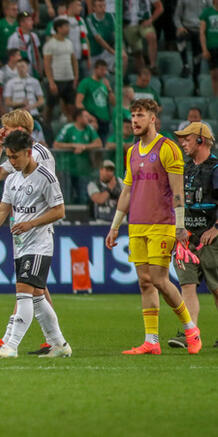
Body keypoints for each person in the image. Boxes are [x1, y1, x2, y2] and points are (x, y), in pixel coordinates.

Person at [105, 98, 203, 355]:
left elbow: (178, 191)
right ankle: (151, 341)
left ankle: (191, 330)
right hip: (136, 224)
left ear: (152, 118)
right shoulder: (131, 152)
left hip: (162, 224)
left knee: (159, 279)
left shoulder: (168, 148)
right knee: (144, 282)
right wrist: (115, 226)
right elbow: (127, 190)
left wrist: (180, 227)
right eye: (132, 116)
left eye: (139, 115)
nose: (134, 121)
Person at [0, 129, 72, 358]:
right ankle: (59, 344)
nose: (12, 161)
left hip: (40, 243)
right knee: (37, 296)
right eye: (9, 157)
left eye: (15, 156)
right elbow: (2, 210)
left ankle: (11, 345)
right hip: (20, 245)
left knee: (24, 292)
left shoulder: (46, 177)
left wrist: (31, 224)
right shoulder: (12, 179)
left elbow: (60, 211)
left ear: (29, 153)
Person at [167, 122, 218, 348]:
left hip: (211, 236)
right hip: (186, 237)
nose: (182, 143)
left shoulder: (216, 168)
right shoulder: (184, 168)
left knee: (216, 287)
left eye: (187, 139)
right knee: (187, 284)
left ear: (201, 140)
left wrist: (216, 228)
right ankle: (191, 334)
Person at [53, 108, 102, 203]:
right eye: (86, 116)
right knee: (66, 196)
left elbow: (99, 143)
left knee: (83, 196)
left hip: (83, 170)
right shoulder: (68, 128)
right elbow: (56, 144)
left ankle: (83, 217)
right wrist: (73, 145)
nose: (89, 119)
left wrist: (84, 147)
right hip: (67, 168)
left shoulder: (89, 129)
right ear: (79, 118)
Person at [44, 18, 78, 121]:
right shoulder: (50, 44)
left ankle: (71, 125)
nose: (68, 29)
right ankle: (45, 125)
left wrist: (75, 77)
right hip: (56, 80)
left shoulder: (69, 43)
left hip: (69, 79)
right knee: (50, 106)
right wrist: (51, 82)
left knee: (72, 106)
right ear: (58, 28)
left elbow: (74, 61)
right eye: (66, 27)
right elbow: (47, 64)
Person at [76, 59, 115, 139]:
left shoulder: (105, 84)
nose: (104, 72)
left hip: (105, 119)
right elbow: (78, 103)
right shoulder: (86, 82)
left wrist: (109, 88)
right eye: (101, 69)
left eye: (105, 70)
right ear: (95, 69)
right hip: (93, 118)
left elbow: (114, 103)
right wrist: (89, 117)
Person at [122, 0, 161, 71]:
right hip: (129, 24)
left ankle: (153, 66)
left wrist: (151, 20)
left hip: (144, 21)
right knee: (137, 52)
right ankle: (142, 74)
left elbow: (160, 8)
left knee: (151, 36)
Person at [201, 0, 218, 97]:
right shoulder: (207, 12)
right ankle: (216, 98)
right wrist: (204, 49)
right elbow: (202, 32)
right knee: (214, 75)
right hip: (212, 47)